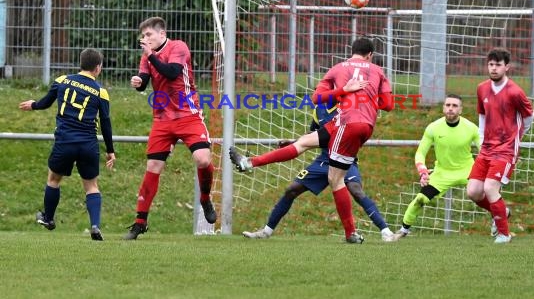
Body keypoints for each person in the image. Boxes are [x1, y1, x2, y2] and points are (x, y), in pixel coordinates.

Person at [230, 38, 394, 243]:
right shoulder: (376, 72)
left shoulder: (337, 72)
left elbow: (317, 97)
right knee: (302, 147)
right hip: (348, 134)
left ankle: (366, 232)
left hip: (347, 129)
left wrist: (345, 91)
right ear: (370, 55)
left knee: (340, 181)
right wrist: (365, 97)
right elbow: (388, 104)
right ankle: (249, 163)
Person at [243, 105, 395, 242]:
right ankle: (266, 231)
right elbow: (315, 134)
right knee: (292, 190)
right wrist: (295, 142)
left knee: (356, 190)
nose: (320, 92)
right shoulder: (319, 109)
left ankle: (385, 231)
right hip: (323, 160)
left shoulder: (348, 106)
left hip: (344, 159)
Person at [124, 16, 216, 240]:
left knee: (203, 159)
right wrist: (138, 83)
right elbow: (145, 80)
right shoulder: (148, 56)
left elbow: (172, 72)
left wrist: (150, 55)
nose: (144, 39)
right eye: (143, 36)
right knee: (153, 166)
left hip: (188, 113)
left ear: (162, 34)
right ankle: (139, 222)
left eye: (149, 35)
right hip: (163, 117)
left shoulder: (178, 47)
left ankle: (204, 198)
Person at [18, 48, 116, 241]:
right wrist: (110, 151)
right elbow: (105, 122)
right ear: (98, 68)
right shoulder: (101, 92)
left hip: (65, 142)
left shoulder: (63, 81)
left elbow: (46, 102)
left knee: (53, 179)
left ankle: (48, 218)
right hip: (88, 145)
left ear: (81, 64)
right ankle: (95, 226)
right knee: (92, 186)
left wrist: (34, 105)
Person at [466, 48, 534, 244]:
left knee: (490, 187)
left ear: (507, 67)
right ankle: (502, 211)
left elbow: (529, 117)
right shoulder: (482, 88)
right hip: (487, 148)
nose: (494, 68)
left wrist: (517, 137)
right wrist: (480, 139)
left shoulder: (515, 92)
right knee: (473, 191)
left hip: (505, 150)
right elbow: (482, 115)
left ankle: (504, 234)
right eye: (491, 64)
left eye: (498, 65)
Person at [392, 94, 480, 240]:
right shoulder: (433, 127)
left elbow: (484, 151)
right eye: (448, 105)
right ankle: (403, 230)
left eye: (454, 106)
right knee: (420, 199)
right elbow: (420, 153)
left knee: (487, 193)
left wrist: (487, 171)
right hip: (442, 173)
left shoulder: (471, 128)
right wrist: (423, 172)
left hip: (467, 170)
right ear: (443, 107)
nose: (450, 108)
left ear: (461, 110)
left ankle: (500, 218)